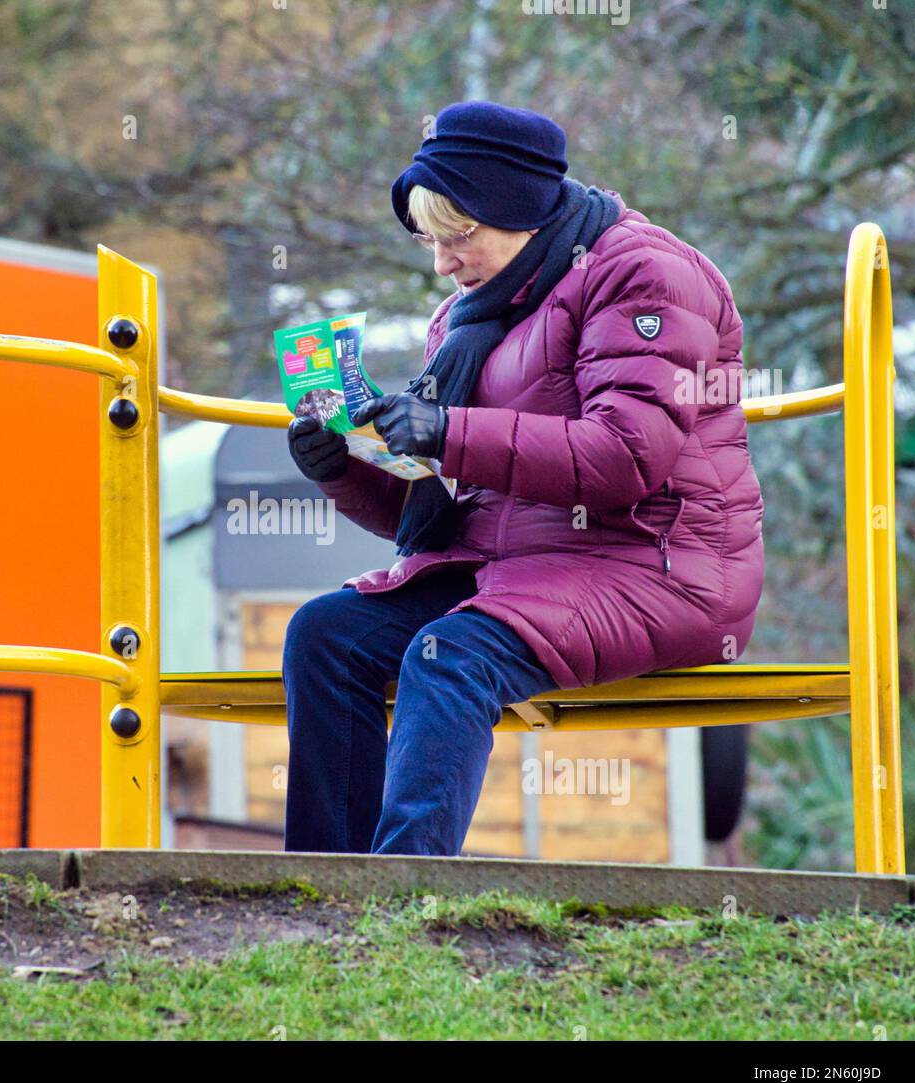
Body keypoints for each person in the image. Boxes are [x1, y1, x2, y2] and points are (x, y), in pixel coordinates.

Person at [282, 100, 765, 857]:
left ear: (518, 206)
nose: (443, 263)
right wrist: (341, 471)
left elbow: (624, 457)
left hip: (659, 565)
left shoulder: (648, 275)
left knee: (449, 654)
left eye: (458, 234)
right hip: (522, 569)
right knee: (327, 635)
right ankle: (321, 893)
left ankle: (403, 900)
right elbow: (450, 512)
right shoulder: (467, 318)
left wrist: (448, 429)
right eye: (430, 241)